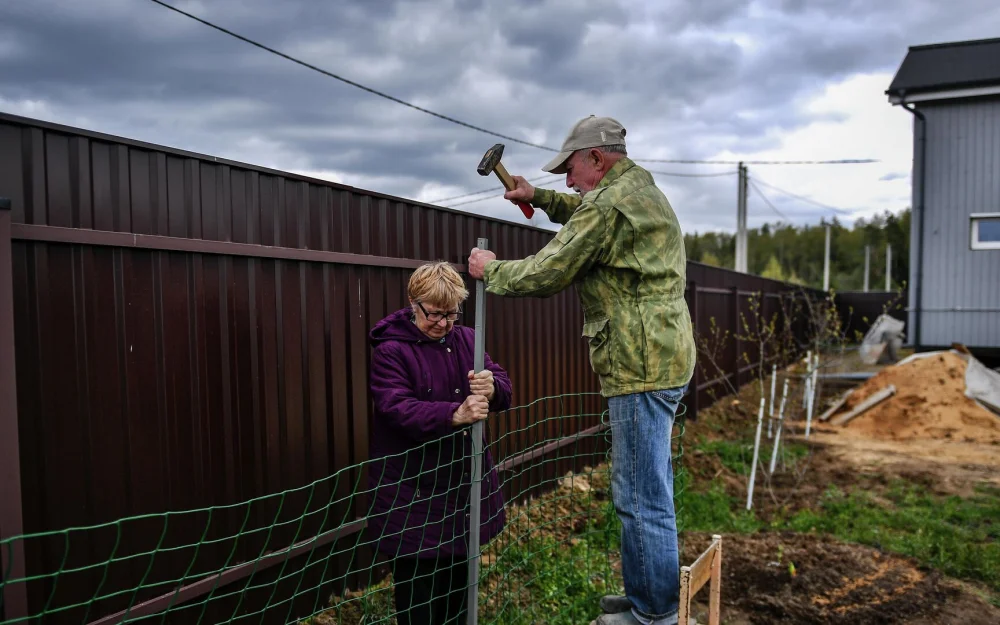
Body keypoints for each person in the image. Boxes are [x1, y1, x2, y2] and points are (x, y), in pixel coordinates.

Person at [467, 116, 695, 625]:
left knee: (639, 496)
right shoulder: (634, 187)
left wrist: (492, 271)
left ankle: (655, 614)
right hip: (661, 355)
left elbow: (553, 268)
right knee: (644, 489)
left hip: (640, 364)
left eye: (569, 169)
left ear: (597, 157)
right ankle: (645, 598)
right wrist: (539, 197)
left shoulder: (610, 204)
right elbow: (586, 213)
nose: (566, 181)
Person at [366, 261, 512, 625]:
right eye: (434, 314)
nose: (444, 323)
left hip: (462, 491)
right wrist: (454, 414)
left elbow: (501, 381)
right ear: (413, 304)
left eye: (451, 314)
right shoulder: (390, 351)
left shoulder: (467, 340)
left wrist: (493, 387)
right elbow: (395, 407)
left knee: (459, 598)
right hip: (412, 494)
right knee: (419, 603)